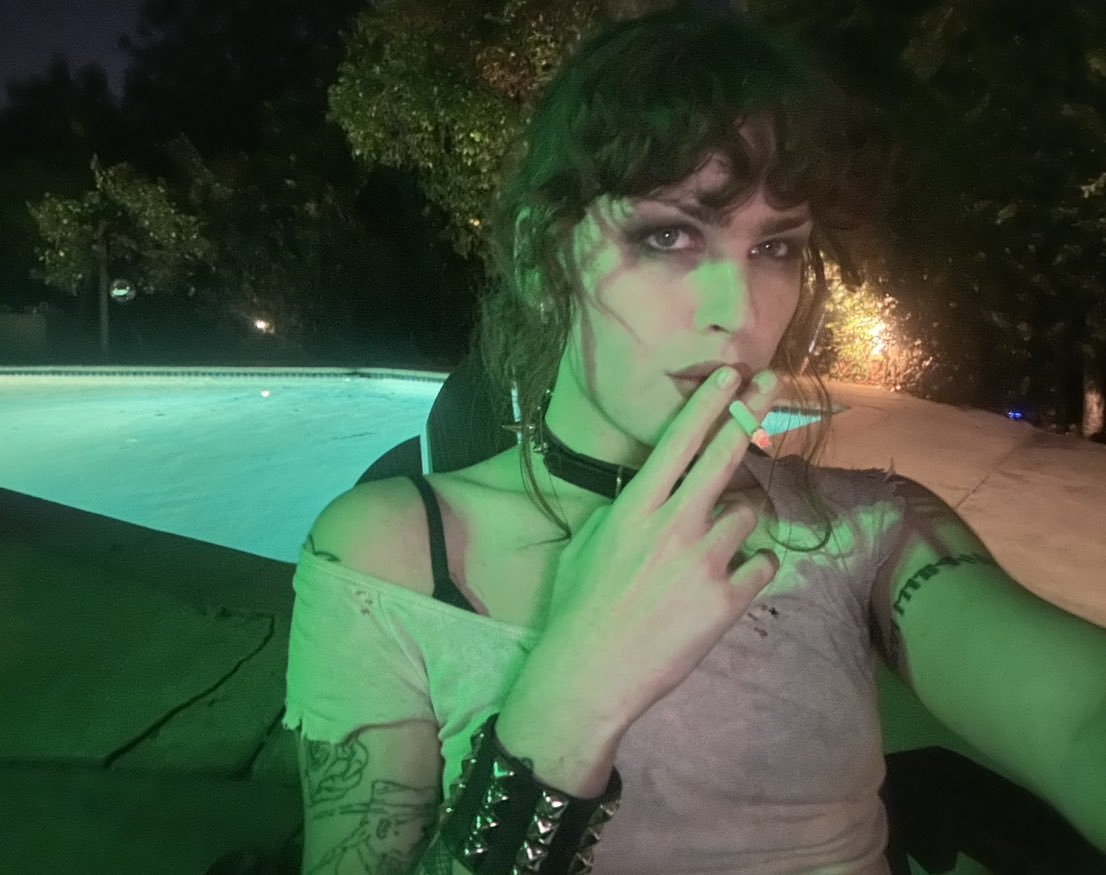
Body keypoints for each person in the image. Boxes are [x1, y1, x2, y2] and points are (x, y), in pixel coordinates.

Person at [283, 7, 1106, 874]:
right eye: (668, 235)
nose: (737, 311)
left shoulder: (870, 529)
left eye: (775, 246)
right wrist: (576, 689)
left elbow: (1080, 719)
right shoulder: (392, 556)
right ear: (539, 259)